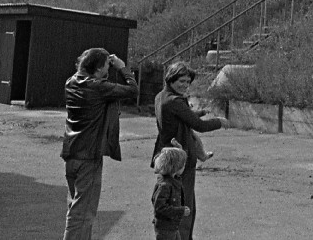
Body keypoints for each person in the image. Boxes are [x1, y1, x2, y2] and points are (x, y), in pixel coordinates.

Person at [60, 47, 138, 240]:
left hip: (71, 152)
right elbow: (133, 90)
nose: (107, 69)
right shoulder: (98, 87)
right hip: (89, 156)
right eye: (105, 66)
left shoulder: (71, 83)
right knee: (83, 214)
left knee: (76, 206)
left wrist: (101, 60)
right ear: (97, 68)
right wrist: (122, 68)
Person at [152, 61, 226, 240]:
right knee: (183, 206)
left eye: (187, 82)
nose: (185, 85)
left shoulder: (161, 96)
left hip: (167, 157)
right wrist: (219, 122)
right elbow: (198, 125)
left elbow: (185, 116)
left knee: (175, 201)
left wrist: (198, 113)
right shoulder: (174, 101)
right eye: (181, 81)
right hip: (180, 160)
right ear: (171, 78)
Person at [151, 146, 192, 240]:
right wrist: (180, 211)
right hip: (165, 228)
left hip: (172, 225)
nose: (184, 166)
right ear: (176, 167)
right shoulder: (165, 185)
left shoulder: (173, 180)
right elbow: (159, 208)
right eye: (183, 164)